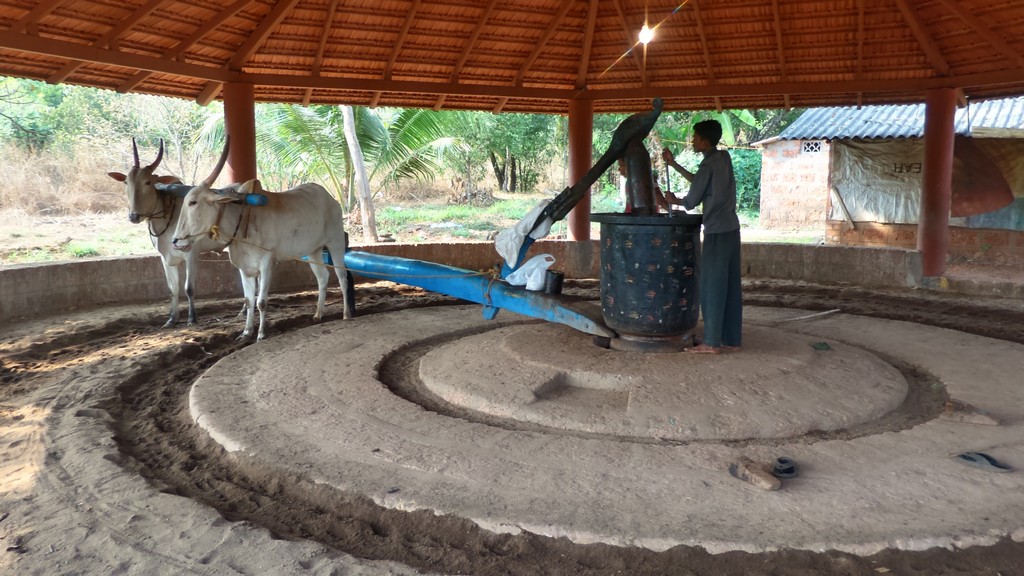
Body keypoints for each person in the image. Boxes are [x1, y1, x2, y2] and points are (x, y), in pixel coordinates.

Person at [660, 120, 742, 354]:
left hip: (716, 231)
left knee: (712, 286)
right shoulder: (722, 159)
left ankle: (712, 342)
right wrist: (673, 164)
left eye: (695, 137)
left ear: (705, 141)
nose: (693, 141)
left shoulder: (709, 166)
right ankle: (731, 339)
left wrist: (673, 200)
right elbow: (701, 182)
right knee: (730, 285)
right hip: (732, 230)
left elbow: (691, 201)